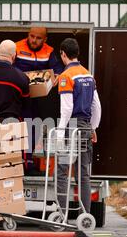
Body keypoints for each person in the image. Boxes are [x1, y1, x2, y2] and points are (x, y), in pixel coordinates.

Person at [56, 38, 101, 214]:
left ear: (63, 54)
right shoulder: (88, 74)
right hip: (85, 127)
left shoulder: (66, 77)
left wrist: (60, 132)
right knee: (83, 172)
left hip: (71, 127)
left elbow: (66, 109)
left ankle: (61, 213)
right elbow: (97, 106)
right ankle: (86, 214)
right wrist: (93, 128)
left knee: (62, 170)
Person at [14, 27, 64, 174]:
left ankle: (28, 162)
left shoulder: (49, 51)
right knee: (15, 128)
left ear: (45, 39)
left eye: (38, 38)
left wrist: (57, 77)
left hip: (34, 98)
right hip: (15, 98)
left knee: (34, 126)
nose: (34, 40)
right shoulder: (16, 47)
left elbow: (58, 69)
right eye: (31, 36)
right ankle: (19, 163)